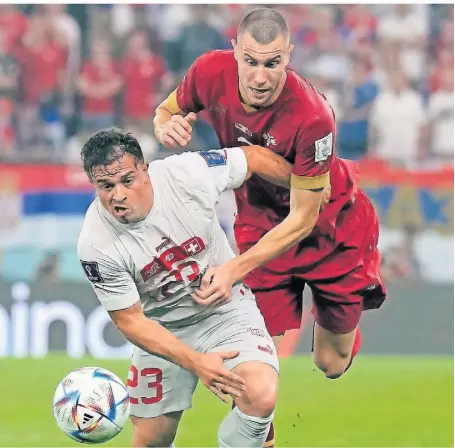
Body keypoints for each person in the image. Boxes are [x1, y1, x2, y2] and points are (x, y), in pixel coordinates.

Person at [154, 8, 387, 447]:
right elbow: (166, 112)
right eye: (251, 61)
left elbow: (304, 216)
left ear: (289, 57)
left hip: (331, 227)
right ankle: (260, 435)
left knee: (331, 364)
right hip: (259, 222)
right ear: (236, 52)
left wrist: (232, 269)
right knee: (245, 345)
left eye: (273, 63)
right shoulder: (208, 71)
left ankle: (335, 322)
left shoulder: (314, 116)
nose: (261, 76)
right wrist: (168, 127)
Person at [77, 127, 300, 447]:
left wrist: (309, 187)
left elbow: (253, 159)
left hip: (225, 311)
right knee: (152, 440)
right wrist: (197, 362)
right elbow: (131, 321)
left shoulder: (187, 174)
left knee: (259, 394)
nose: (119, 195)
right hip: (163, 330)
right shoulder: (96, 244)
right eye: (106, 186)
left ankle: (252, 430)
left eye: (127, 180)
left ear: (145, 170)